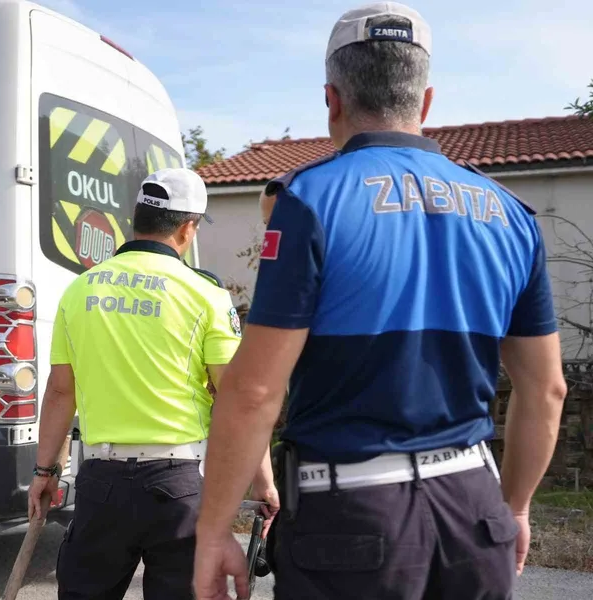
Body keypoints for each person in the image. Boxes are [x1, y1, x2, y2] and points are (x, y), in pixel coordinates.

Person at [193, 3, 567, 599]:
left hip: (351, 520)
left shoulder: (311, 200)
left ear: (332, 100)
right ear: (424, 102)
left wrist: (214, 531)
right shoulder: (511, 215)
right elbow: (547, 389)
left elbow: (255, 390)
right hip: (473, 511)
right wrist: (515, 507)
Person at [27, 166, 279, 600]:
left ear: (137, 219)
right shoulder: (205, 296)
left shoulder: (79, 291)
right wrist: (265, 485)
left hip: (100, 483)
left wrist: (44, 471)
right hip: (178, 486)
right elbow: (238, 403)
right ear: (188, 227)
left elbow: (60, 392)